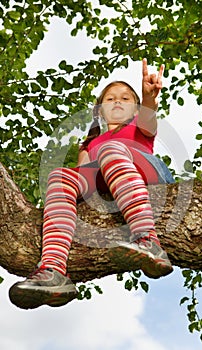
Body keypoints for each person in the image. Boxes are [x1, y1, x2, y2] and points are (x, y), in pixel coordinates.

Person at [9, 58, 174, 309]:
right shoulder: (89, 143)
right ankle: (53, 270)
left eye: (125, 98)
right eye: (110, 99)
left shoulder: (139, 126)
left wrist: (148, 98)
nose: (117, 101)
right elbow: (84, 174)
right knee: (61, 176)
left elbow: (150, 120)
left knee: (110, 149)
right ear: (99, 111)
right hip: (107, 182)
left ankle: (148, 239)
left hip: (148, 176)